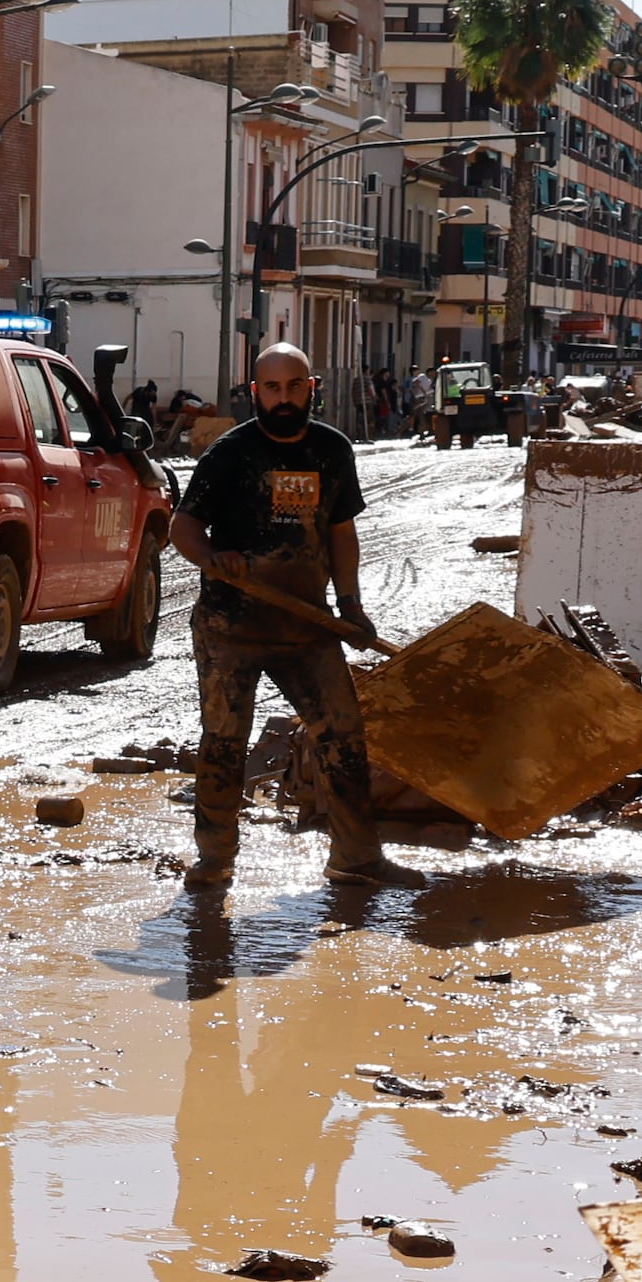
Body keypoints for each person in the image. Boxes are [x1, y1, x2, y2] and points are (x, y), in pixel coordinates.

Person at [173, 339, 393, 889]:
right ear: (255, 393)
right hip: (232, 625)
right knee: (224, 740)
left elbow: (342, 533)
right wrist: (211, 558)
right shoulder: (228, 454)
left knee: (343, 736)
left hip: (307, 625)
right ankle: (215, 859)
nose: (284, 397)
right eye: (272, 387)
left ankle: (356, 858)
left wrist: (350, 605)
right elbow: (182, 528)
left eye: (295, 385)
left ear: (311, 389)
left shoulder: (332, 451)